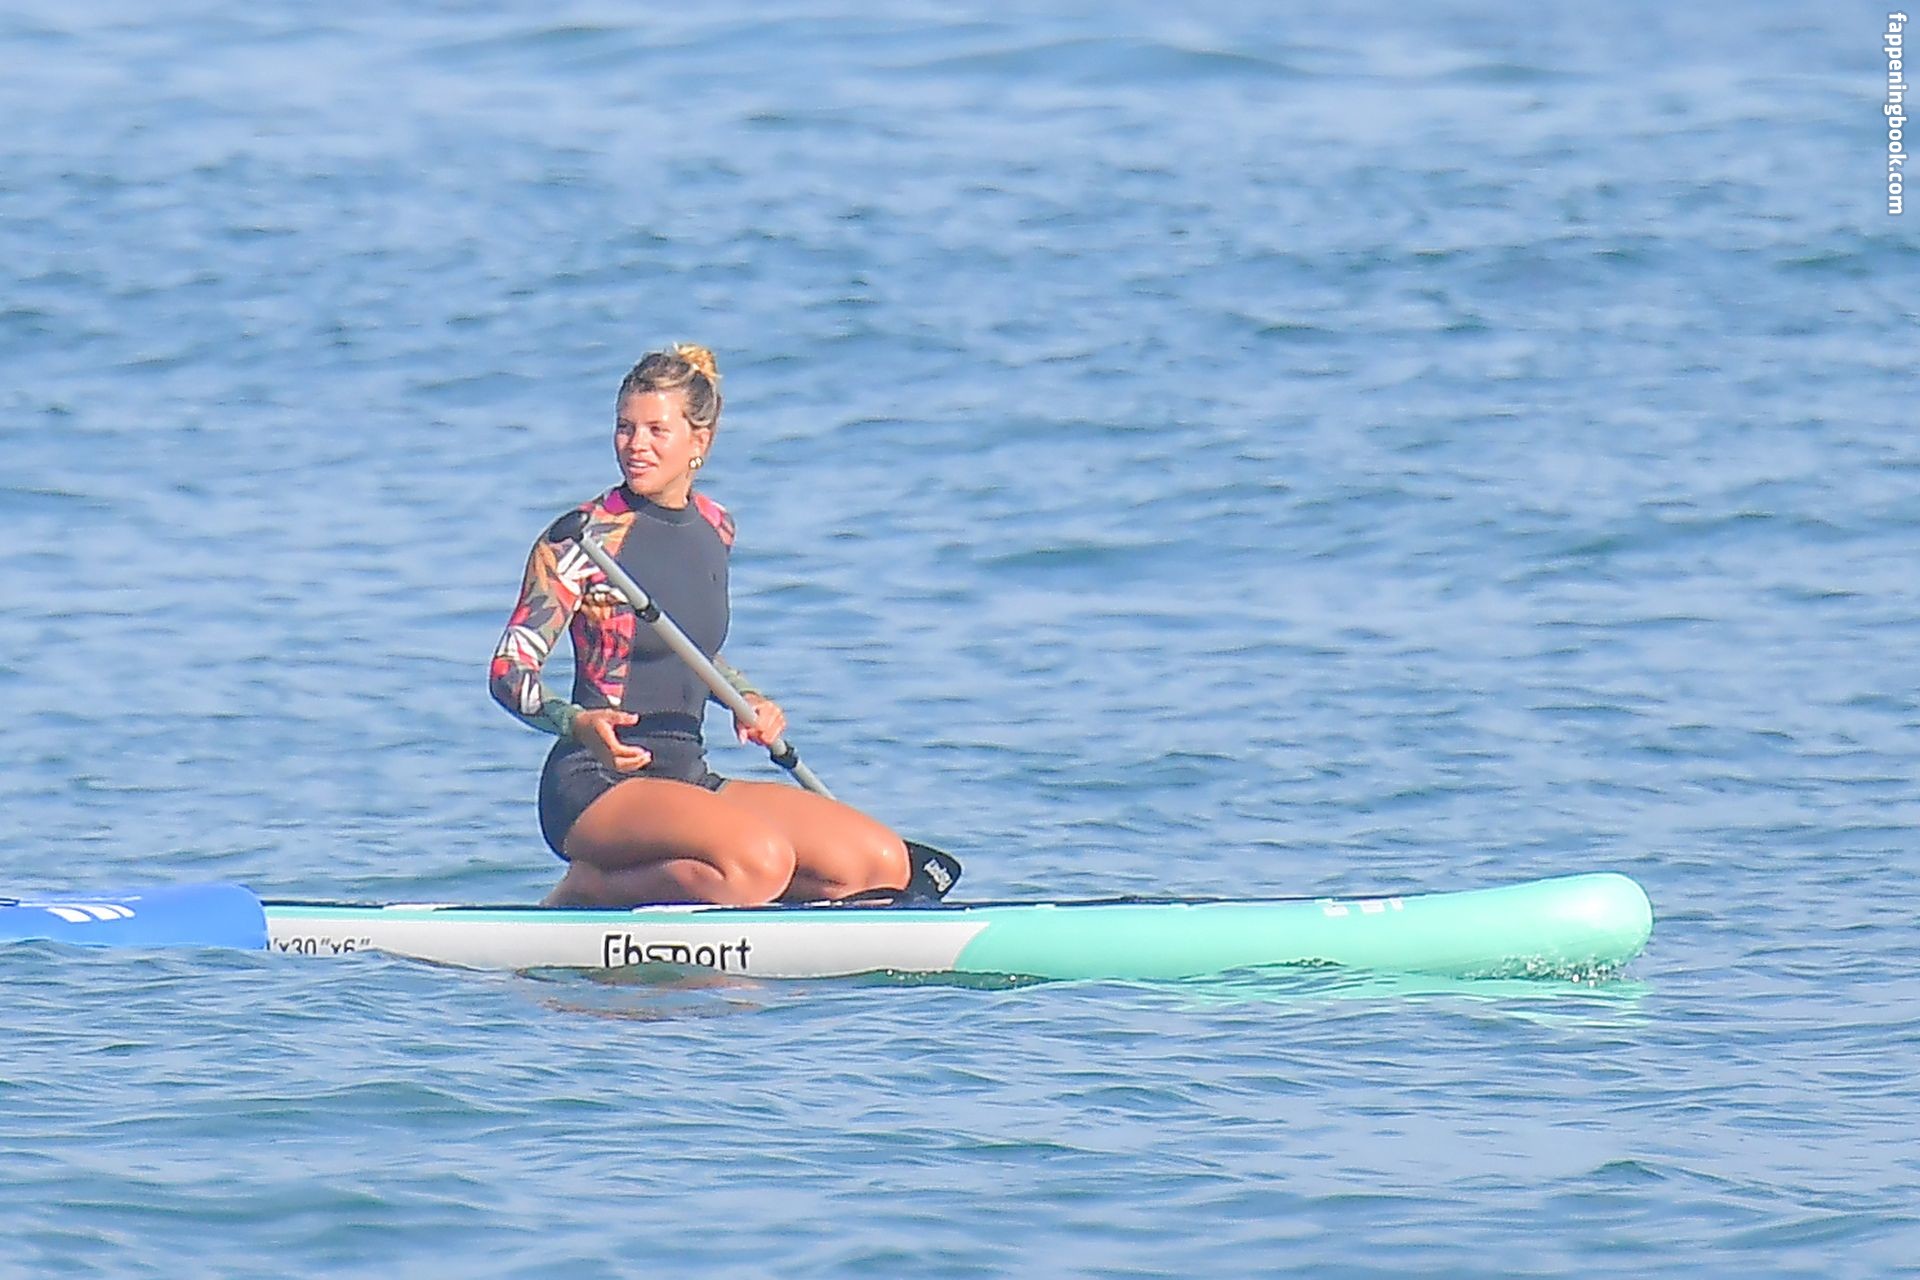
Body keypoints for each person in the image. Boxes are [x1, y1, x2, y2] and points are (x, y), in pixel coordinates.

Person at [488, 344, 910, 907]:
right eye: (624, 428)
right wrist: (578, 723)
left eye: (656, 430)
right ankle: (590, 889)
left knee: (878, 865)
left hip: (688, 777)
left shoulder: (716, 526)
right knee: (759, 863)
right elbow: (509, 670)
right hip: (597, 785)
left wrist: (748, 699)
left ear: (699, 442)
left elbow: (689, 650)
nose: (635, 445)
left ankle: (741, 909)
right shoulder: (584, 539)